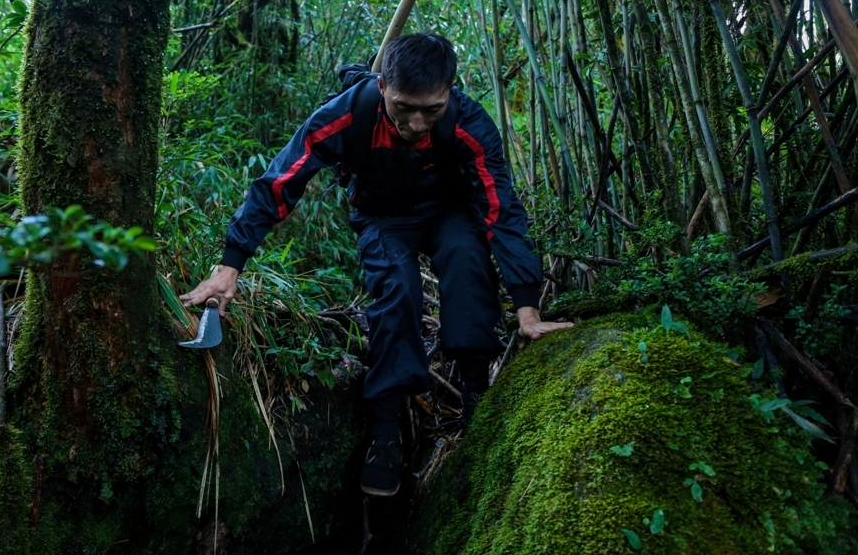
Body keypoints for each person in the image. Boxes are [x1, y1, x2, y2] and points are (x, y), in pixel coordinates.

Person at [181, 33, 573, 497]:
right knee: (397, 288)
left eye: (432, 109)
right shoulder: (349, 113)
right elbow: (281, 181)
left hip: (450, 212)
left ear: (450, 89)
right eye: (404, 106)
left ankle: (474, 399)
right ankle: (387, 432)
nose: (416, 122)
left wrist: (528, 308)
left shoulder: (469, 122)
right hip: (383, 217)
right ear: (383, 84)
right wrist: (230, 267)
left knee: (467, 262)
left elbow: (500, 208)